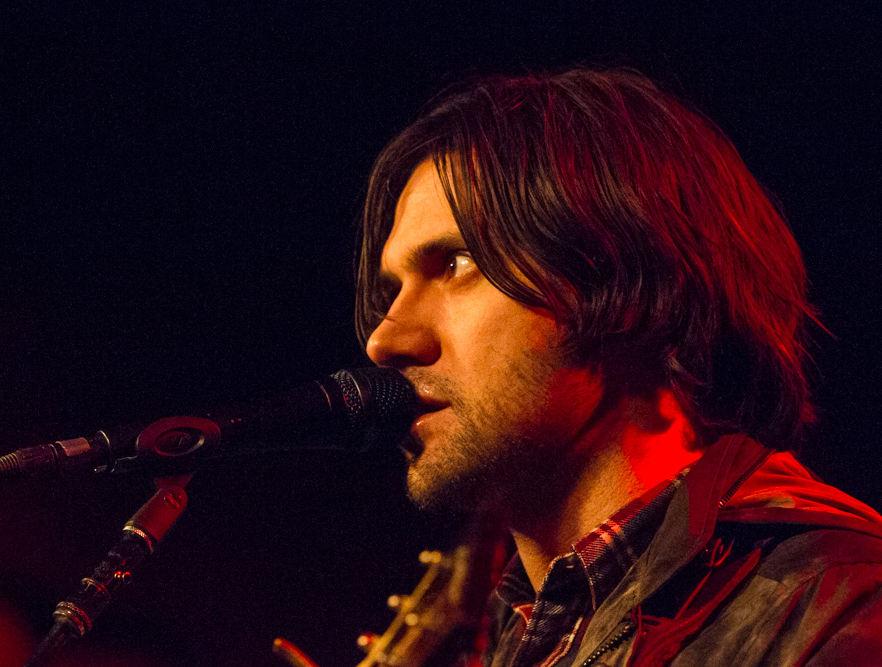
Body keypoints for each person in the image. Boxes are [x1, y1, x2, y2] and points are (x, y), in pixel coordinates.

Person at [354, 68, 882, 666]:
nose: (384, 339)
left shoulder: (840, 607)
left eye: (456, 262)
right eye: (393, 289)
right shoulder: (512, 638)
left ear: (626, 277)